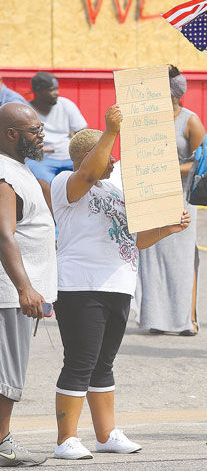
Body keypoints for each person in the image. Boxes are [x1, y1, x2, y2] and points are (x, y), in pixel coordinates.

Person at [51, 107, 190, 460]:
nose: (113, 162)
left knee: (104, 364)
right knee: (80, 362)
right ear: (87, 156)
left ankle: (106, 433)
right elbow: (87, 176)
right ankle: (66, 439)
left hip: (119, 284)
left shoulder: (116, 188)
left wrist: (166, 229)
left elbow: (133, 240)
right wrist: (111, 130)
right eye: (107, 155)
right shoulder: (65, 182)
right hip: (81, 285)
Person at [0, 103, 56, 467]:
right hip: (9, 296)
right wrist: (24, 288)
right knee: (7, 374)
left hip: (16, 294)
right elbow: (4, 235)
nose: (41, 135)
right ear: (11, 135)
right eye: (34, 130)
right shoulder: (5, 175)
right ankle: (3, 446)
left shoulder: (19, 171)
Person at [134, 65, 205, 336]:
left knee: (180, 259)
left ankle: (184, 320)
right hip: (150, 195)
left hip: (181, 200)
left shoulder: (189, 120)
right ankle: (155, 318)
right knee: (151, 256)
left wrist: (169, 168)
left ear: (173, 93)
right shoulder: (147, 118)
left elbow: (203, 162)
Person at [26, 72, 87, 204]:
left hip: (69, 157)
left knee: (88, 175)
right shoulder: (27, 111)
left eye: (56, 89)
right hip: (42, 159)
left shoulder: (66, 105)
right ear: (38, 91)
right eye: (51, 90)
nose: (56, 93)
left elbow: (83, 134)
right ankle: (56, 222)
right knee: (46, 185)